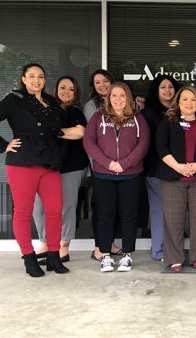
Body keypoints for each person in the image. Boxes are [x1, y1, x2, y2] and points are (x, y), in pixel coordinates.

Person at [0, 63, 82, 277]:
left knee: (54, 211)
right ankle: (29, 258)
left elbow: (57, 131)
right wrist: (2, 145)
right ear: (23, 79)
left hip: (49, 163)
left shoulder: (52, 102)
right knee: (23, 213)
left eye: (40, 76)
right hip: (23, 162)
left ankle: (54, 255)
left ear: (44, 80)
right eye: (31, 76)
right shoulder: (15, 99)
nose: (36, 80)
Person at [83, 82, 150, 272]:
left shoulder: (137, 118)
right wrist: (108, 163)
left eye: (122, 96)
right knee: (105, 214)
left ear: (127, 98)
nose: (118, 99)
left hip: (131, 174)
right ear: (108, 98)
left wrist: (125, 163)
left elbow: (144, 144)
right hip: (104, 174)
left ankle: (127, 255)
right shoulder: (98, 117)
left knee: (129, 214)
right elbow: (89, 142)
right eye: (114, 96)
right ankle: (105, 255)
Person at [156, 86, 196, 272]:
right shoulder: (168, 121)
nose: (189, 103)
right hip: (173, 178)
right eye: (185, 99)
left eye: (193, 99)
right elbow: (161, 146)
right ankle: (175, 259)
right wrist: (178, 167)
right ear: (178, 102)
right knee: (173, 220)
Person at [33, 76, 90, 264]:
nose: (66, 91)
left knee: (66, 207)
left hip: (71, 166)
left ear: (76, 93)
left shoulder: (74, 111)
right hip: (49, 165)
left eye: (71, 89)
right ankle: (45, 243)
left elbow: (80, 132)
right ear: (55, 89)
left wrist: (55, 131)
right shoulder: (49, 110)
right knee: (39, 206)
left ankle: (63, 246)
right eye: (62, 87)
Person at [83, 69, 123, 260]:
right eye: (97, 82)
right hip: (99, 167)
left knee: (114, 208)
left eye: (105, 81)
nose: (102, 85)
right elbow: (94, 139)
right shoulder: (92, 107)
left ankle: (111, 243)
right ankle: (99, 247)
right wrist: (105, 163)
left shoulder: (122, 103)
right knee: (101, 209)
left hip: (120, 169)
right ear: (93, 87)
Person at [141, 75, 180, 261]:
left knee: (173, 213)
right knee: (159, 211)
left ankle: (171, 249)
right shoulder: (148, 113)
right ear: (156, 91)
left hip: (177, 171)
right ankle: (158, 250)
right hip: (156, 170)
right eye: (163, 87)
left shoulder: (180, 111)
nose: (167, 90)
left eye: (171, 86)